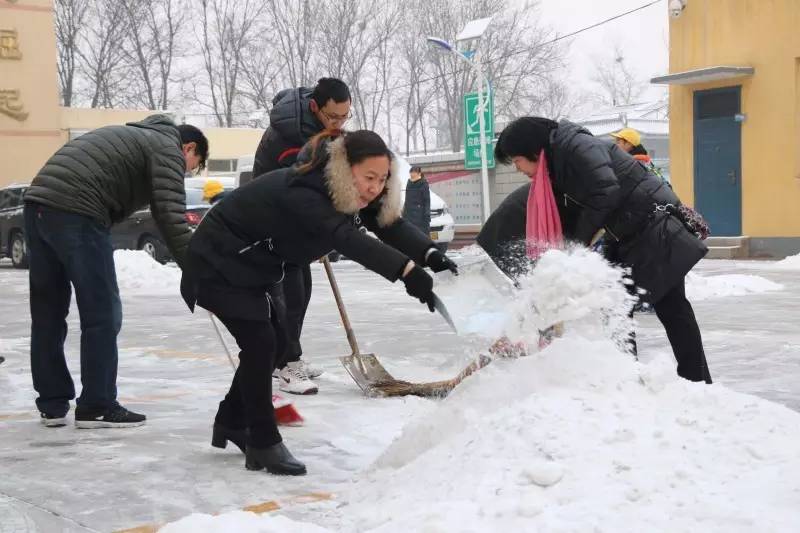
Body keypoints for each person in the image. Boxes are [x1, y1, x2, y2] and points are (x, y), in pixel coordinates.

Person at [180, 129, 458, 475]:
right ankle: (263, 443)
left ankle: (232, 421)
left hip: (255, 266)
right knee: (261, 342)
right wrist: (406, 271)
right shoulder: (307, 192)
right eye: (368, 177)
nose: (374, 188)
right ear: (345, 169)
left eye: (382, 179)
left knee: (280, 345)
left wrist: (430, 254)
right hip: (217, 260)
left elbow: (388, 224)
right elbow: (347, 238)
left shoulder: (355, 193)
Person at [478, 117, 711, 384]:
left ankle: (696, 382)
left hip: (650, 225)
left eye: (517, 160)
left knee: (671, 306)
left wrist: (578, 243)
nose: (518, 168)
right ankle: (627, 376)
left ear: (532, 150)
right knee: (616, 306)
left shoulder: (575, 145)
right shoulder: (557, 159)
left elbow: (605, 189)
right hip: (626, 231)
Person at [23, 115, 208, 428]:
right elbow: (170, 214)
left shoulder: (134, 136)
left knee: (48, 313)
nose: (187, 171)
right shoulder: (167, 147)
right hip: (77, 212)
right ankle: (97, 404)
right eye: (194, 164)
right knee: (102, 313)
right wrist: (198, 268)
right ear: (188, 147)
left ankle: (52, 404)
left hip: (38, 206)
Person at [248, 78, 353, 394]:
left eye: (344, 117)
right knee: (289, 290)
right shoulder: (293, 137)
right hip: (272, 211)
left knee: (302, 288)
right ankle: (284, 364)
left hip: (291, 210)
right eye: (332, 117)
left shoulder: (315, 126)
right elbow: (300, 186)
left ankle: (289, 358)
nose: (338, 124)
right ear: (314, 107)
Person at [402, 166, 431, 236]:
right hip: (409, 214)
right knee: (410, 235)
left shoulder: (423, 183)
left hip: (419, 215)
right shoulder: (409, 183)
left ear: (419, 173)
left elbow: (427, 200)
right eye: (411, 172)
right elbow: (407, 198)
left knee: (421, 235)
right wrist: (404, 211)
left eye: (414, 172)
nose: (412, 174)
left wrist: (427, 213)